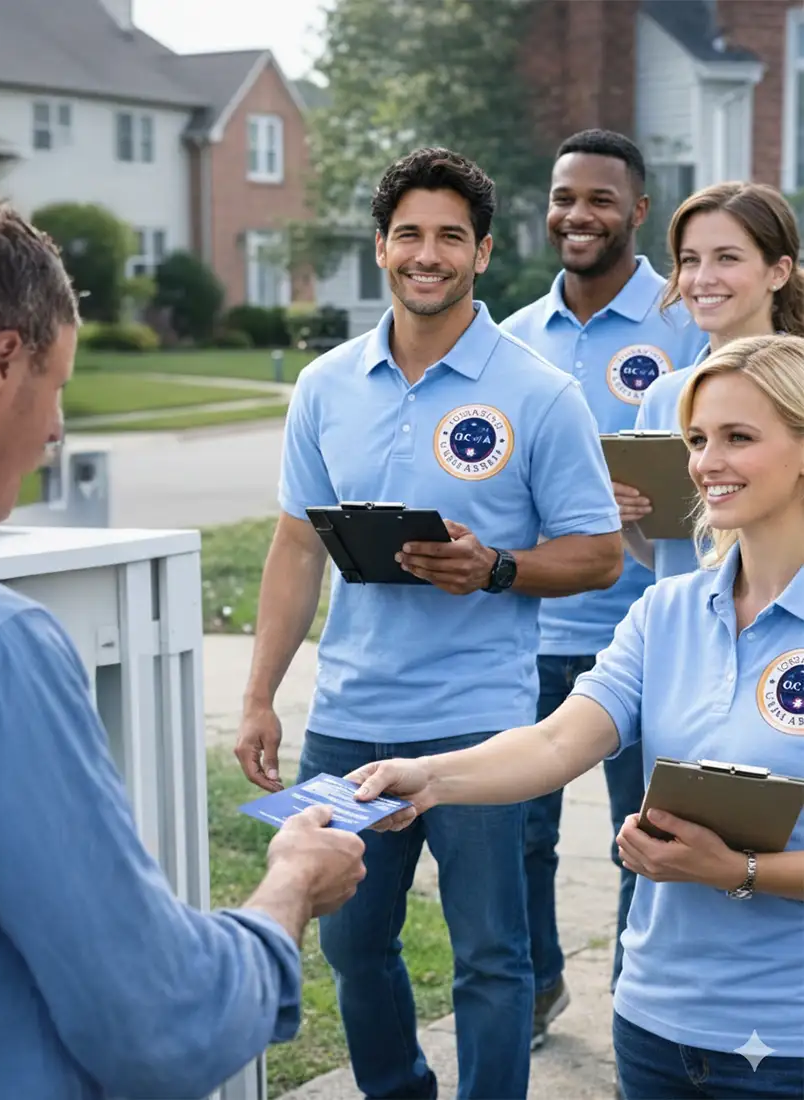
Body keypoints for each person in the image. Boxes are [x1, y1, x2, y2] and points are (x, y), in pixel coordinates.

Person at [0, 195, 367, 1100]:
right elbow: (157, 1020)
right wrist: (287, 889)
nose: (55, 429)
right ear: (2, 362)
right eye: (56, 386)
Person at [235, 146, 624, 1100]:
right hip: (348, 717)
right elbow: (294, 549)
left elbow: (601, 552)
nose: (428, 253)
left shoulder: (540, 393)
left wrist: (495, 567)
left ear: (484, 253)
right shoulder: (325, 385)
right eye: (409, 233)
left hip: (481, 724)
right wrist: (258, 698)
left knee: (492, 956)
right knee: (352, 942)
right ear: (380, 247)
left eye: (451, 235)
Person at [350, 333, 804, 1100]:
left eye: (739, 438)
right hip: (656, 1025)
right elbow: (559, 739)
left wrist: (740, 872)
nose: (705, 463)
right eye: (697, 439)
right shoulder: (667, 613)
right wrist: (427, 779)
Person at [499, 128, 707, 1046]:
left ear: (639, 212)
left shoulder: (688, 322)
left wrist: (659, 496)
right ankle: (542, 986)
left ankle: (635, 1004)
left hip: (651, 627)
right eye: (563, 197)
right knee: (523, 833)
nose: (578, 216)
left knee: (645, 837)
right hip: (533, 629)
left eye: (600, 200)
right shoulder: (510, 339)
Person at [615, 182, 804, 580]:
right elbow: (671, 558)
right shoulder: (663, 396)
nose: (703, 279)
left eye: (727, 258)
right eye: (689, 260)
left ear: (778, 271)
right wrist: (626, 519)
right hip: (693, 627)